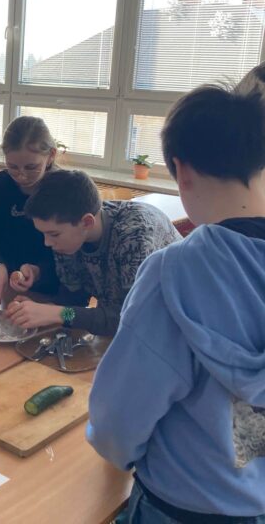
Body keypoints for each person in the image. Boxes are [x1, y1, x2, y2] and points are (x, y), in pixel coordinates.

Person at [87, 77, 265, 521]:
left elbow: (117, 420)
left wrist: (119, 452)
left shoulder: (175, 273)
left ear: (182, 172)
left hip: (180, 506)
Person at [6, 169, 180, 335]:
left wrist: (57, 314)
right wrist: (45, 310)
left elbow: (131, 319)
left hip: (176, 327)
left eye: (53, 234)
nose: (47, 243)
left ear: (87, 222)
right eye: (43, 234)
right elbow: (73, 300)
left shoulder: (134, 236)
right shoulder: (70, 236)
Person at [0, 116, 60, 310]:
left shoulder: (63, 191)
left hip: (55, 297)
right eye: (13, 167)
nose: (22, 175)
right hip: (11, 288)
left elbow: (73, 308)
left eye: (31, 167)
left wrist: (39, 271)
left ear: (51, 155)